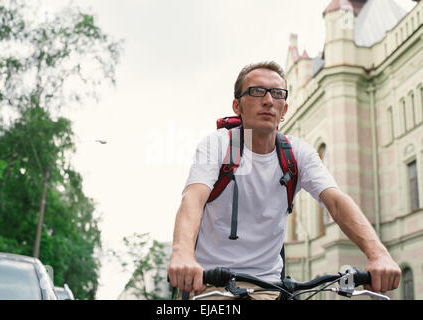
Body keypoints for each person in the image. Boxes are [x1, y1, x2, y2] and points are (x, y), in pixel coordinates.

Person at [167, 61, 401, 300]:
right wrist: (182, 253)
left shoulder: (297, 153)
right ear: (237, 106)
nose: (268, 100)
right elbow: (193, 200)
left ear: (285, 109)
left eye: (277, 94)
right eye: (257, 91)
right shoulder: (218, 145)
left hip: (268, 287)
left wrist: (378, 254)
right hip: (210, 283)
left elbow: (337, 201)